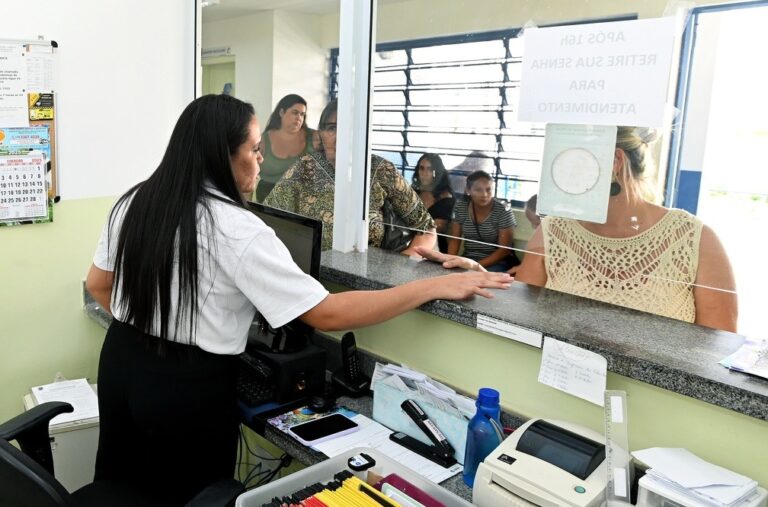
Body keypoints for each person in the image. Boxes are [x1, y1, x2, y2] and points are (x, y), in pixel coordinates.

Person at [84, 94, 511, 505]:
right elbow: (328, 314)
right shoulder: (238, 228)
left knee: (122, 486)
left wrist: (151, 331)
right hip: (185, 389)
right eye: (254, 149)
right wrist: (432, 286)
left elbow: (99, 286)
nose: (261, 159)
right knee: (195, 496)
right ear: (223, 156)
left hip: (122, 360)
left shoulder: (135, 201)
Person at [415, 126, 738, 332]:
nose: (554, 175)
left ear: (613, 162)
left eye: (567, 161)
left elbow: (713, 355)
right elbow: (523, 310)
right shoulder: (555, 231)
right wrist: (477, 273)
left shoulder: (695, 239)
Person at [265, 100, 437, 255]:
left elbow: (427, 228)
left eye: (349, 129)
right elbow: (268, 221)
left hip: (368, 276)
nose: (340, 137)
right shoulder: (304, 169)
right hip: (312, 274)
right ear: (321, 134)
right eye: (332, 128)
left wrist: (401, 265)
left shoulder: (381, 170)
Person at [448, 170, 518, 272]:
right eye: (478, 190)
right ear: (468, 190)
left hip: (496, 263)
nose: (484, 194)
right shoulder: (461, 206)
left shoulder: (503, 210)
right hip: (468, 259)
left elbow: (504, 250)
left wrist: (475, 266)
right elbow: (455, 240)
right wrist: (450, 262)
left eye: (488, 189)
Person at [255, 93, 314, 202]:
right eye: (295, 112)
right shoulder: (263, 140)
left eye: (302, 114)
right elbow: (249, 174)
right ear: (281, 112)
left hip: (302, 200)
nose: (299, 118)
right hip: (268, 200)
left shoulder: (313, 137)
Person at [412, 153, 455, 252]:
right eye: (421, 168)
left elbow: (436, 228)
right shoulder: (413, 192)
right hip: (409, 242)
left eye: (430, 169)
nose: (425, 173)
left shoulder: (446, 197)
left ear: (437, 172)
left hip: (434, 247)